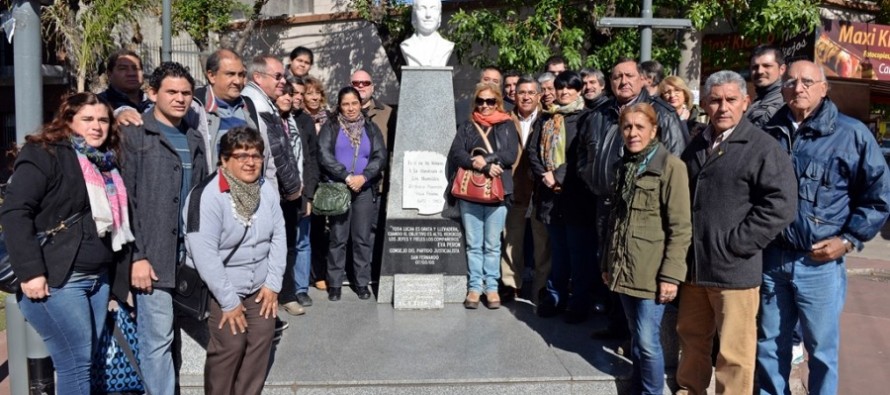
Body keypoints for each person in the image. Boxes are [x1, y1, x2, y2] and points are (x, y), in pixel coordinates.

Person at [756, 60, 890, 395]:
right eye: (790, 82)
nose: (797, 88)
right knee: (769, 347)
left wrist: (848, 239)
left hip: (820, 264)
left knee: (821, 353)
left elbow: (878, 196)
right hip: (772, 259)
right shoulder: (767, 132)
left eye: (806, 81)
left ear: (823, 87)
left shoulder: (850, 134)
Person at [1, 92, 134, 394]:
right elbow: (15, 211)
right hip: (59, 280)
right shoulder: (45, 153)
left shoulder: (106, 162)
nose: (97, 126)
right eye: (87, 119)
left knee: (88, 361)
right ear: (68, 121)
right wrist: (30, 272)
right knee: (75, 363)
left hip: (97, 280)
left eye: (103, 119)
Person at [675, 70, 797, 395]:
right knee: (692, 344)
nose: (723, 107)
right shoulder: (697, 144)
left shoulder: (762, 147)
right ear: (704, 103)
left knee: (733, 354)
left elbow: (781, 205)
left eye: (731, 99)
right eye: (715, 100)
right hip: (695, 269)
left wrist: (737, 243)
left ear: (746, 102)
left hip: (734, 271)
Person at [581, 58, 689, 340]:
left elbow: (677, 155)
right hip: (606, 204)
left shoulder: (661, 113)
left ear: (643, 79)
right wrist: (594, 182)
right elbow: (583, 154)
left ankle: (637, 341)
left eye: (629, 75)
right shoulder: (600, 114)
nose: (623, 81)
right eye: (617, 77)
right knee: (612, 265)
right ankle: (618, 327)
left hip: (646, 210)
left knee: (639, 272)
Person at [121, 62, 209, 395]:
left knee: (178, 337)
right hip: (152, 258)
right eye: (171, 92)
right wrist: (137, 257)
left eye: (186, 93)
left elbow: (199, 197)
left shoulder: (194, 136)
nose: (180, 98)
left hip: (189, 259)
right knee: (157, 341)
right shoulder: (134, 134)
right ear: (153, 93)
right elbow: (125, 202)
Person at [183, 126, 286, 395]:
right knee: (230, 344)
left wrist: (273, 283)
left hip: (259, 285)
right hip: (220, 286)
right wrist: (229, 302)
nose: (250, 162)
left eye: (255, 155)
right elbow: (204, 253)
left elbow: (279, 236)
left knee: (263, 337)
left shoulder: (266, 190)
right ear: (224, 160)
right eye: (241, 155)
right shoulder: (207, 195)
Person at [602, 102, 691, 395]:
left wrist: (671, 276)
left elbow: (680, 227)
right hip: (625, 268)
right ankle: (639, 388)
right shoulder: (623, 167)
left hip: (652, 272)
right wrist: (608, 264)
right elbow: (615, 221)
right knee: (638, 338)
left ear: (654, 130)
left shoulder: (670, 167)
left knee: (648, 340)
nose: (632, 133)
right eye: (627, 127)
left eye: (640, 127)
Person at [527, 71, 594, 323]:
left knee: (579, 254)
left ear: (578, 91)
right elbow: (533, 150)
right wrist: (545, 174)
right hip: (550, 198)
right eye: (560, 88)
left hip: (576, 195)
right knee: (558, 252)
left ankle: (578, 303)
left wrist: (558, 175)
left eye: (570, 88)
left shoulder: (587, 117)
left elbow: (581, 154)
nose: (564, 92)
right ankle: (555, 298)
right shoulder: (547, 118)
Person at [448, 82, 519, 309]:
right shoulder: (468, 126)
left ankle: (492, 288)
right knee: (473, 244)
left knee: (492, 244)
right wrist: (476, 164)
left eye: (490, 101)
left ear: (498, 102)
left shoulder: (506, 124)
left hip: (498, 194)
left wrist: (486, 161)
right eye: (480, 101)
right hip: (470, 194)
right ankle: (474, 288)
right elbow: (456, 153)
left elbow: (510, 154)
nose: (485, 105)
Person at [317, 87, 388, 301]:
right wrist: (347, 177)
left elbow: (379, 156)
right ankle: (336, 283)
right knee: (338, 238)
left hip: (364, 190)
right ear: (340, 105)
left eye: (354, 103)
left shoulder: (371, 127)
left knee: (362, 239)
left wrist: (364, 177)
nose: (350, 108)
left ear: (360, 104)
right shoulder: (331, 126)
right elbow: (324, 154)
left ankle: (362, 282)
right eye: (345, 104)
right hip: (339, 188)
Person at [500, 77, 551, 303]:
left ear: (539, 95)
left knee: (543, 244)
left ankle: (541, 288)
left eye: (531, 92)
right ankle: (511, 284)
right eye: (522, 92)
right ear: (515, 95)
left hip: (542, 189)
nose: (526, 97)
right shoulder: (504, 119)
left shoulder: (549, 119)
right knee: (511, 239)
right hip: (515, 187)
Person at [277, 76, 320, 313]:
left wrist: (310, 195)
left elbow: (311, 158)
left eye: (299, 94)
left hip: (302, 192)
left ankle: (298, 289)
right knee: (279, 243)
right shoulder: (274, 120)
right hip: (279, 194)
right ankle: (282, 289)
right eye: (291, 93)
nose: (296, 98)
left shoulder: (302, 121)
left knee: (300, 242)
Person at [241, 54, 302, 200]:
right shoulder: (256, 104)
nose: (283, 81)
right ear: (258, 77)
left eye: (283, 76)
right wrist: (292, 187)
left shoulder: (262, 101)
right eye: (278, 76)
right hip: (264, 192)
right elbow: (276, 151)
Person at [192, 48, 252, 167]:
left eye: (241, 75)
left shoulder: (249, 106)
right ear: (212, 76)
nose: (237, 81)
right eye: (230, 74)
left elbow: (267, 156)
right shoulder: (195, 106)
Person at [304, 75, 334, 292]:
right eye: (309, 93)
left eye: (317, 93)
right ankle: (317, 273)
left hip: (329, 179)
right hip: (309, 180)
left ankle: (330, 271)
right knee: (313, 230)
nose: (314, 97)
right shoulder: (300, 119)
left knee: (331, 230)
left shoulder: (330, 118)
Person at [399, 0, 454, 66]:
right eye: (422, 8)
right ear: (414, 15)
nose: (428, 15)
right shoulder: (406, 46)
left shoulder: (447, 46)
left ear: (439, 16)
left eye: (433, 8)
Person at [746, 44, 786, 128]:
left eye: (767, 66)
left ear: (782, 69)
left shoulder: (782, 105)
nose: (760, 71)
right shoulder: (760, 99)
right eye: (755, 67)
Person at [99, 49, 151, 113]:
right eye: (123, 69)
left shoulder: (155, 103)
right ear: (109, 74)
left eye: (136, 68)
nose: (131, 73)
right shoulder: (98, 103)